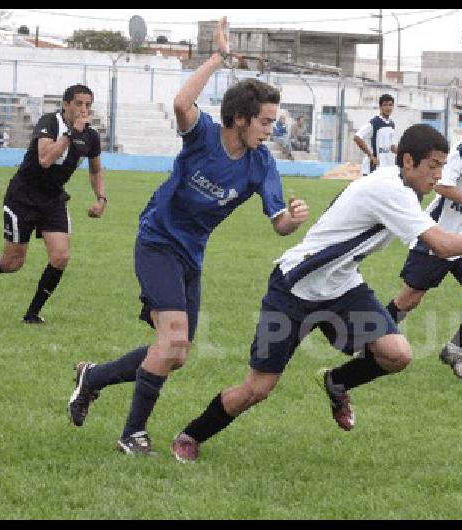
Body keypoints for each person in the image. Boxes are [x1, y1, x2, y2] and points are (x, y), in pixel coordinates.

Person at [168, 123, 462, 463]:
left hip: (342, 286)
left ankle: (337, 382)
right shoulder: (389, 189)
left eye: (442, 166)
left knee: (397, 354)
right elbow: (442, 245)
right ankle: (191, 434)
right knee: (258, 388)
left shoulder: (400, 186)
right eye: (432, 166)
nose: (438, 176)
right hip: (295, 288)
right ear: (408, 161)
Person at [67, 17, 310, 455]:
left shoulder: (262, 164)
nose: (271, 129)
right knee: (173, 341)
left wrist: (293, 220)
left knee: (175, 353)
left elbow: (278, 223)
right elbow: (181, 102)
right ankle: (131, 435)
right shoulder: (203, 136)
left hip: (191, 256)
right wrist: (217, 57)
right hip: (157, 240)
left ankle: (95, 377)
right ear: (239, 118)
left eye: (274, 122)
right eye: (266, 121)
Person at [384, 95, 462, 382]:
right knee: (409, 300)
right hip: (437, 235)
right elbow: (441, 185)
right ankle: (370, 339)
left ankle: (454, 350)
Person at [0, 84, 106, 322]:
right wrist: (71, 133)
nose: (84, 109)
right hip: (23, 197)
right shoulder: (50, 123)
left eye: (88, 105)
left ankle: (32, 315)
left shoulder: (90, 136)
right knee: (13, 262)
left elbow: (95, 171)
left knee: (61, 256)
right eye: (79, 104)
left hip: (53, 199)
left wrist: (101, 198)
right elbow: (44, 159)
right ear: (66, 104)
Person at [354, 93, 397, 176]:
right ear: (380, 107)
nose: (388, 107)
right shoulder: (374, 122)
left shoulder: (391, 124)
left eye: (390, 105)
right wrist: (371, 156)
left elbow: (392, 146)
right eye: (385, 105)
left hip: (386, 168)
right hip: (373, 168)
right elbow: (357, 137)